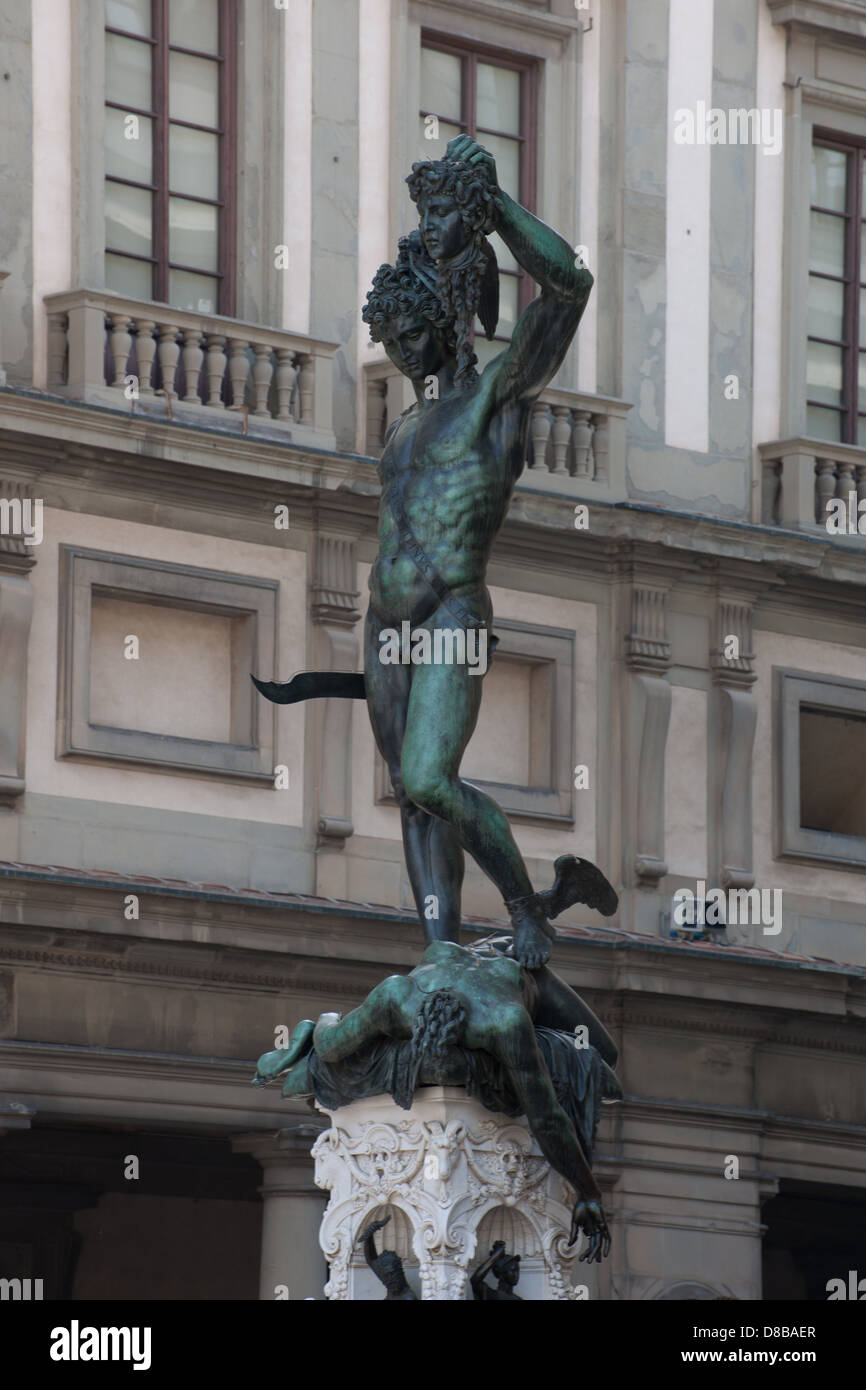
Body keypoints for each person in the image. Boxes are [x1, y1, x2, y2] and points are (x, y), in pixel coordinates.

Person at [357, 134, 600, 970]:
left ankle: (529, 908)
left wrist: (491, 212)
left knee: (430, 778)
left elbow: (571, 284)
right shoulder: (404, 424)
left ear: (444, 310)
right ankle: (441, 953)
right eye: (388, 339)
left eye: (409, 333)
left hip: (454, 609)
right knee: (412, 801)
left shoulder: (497, 394)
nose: (397, 353)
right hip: (383, 620)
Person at [254, 936, 619, 1262]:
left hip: (520, 965)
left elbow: (548, 1117)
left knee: (605, 1054)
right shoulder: (393, 995)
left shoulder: (503, 1021)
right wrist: (317, 1027)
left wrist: (589, 1193)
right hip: (456, 956)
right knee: (333, 1047)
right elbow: (330, 1041)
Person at [355, 1215, 418, 1300]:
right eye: (386, 1276)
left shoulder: (408, 1297)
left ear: (400, 1273)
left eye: (392, 1274)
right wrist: (369, 1235)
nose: (390, 1279)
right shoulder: (390, 1282)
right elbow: (371, 1259)